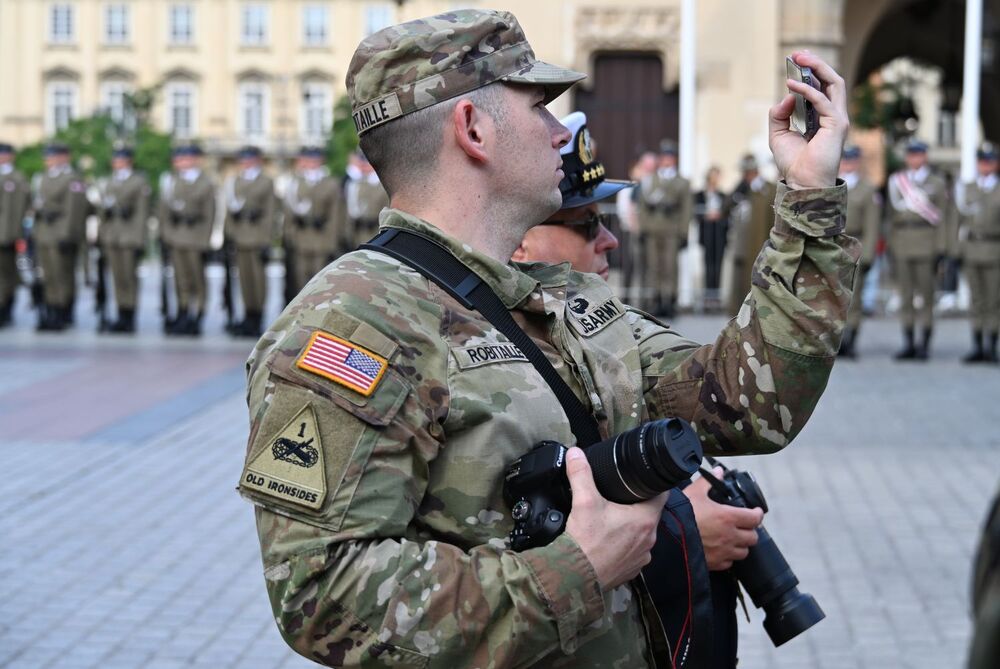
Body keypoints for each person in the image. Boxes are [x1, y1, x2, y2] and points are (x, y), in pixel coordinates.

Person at [237, 9, 855, 668]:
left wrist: (809, 196)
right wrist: (573, 572)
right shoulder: (351, 324)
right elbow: (322, 594)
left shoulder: (559, 298)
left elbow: (747, 401)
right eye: (540, 107)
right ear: (472, 130)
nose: (562, 133)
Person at [513, 110, 766, 668]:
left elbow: (747, 396)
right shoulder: (448, 335)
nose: (607, 240)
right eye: (584, 224)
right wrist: (678, 531)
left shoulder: (601, 323)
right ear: (522, 241)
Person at [886, 140, 949, 360]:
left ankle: (925, 344)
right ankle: (909, 343)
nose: (915, 159)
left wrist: (941, 248)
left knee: (927, 296)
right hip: (902, 243)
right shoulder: (896, 181)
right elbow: (891, 218)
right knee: (905, 296)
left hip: (927, 242)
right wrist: (891, 246)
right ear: (907, 157)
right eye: (911, 155)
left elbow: (943, 218)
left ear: (925, 157)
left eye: (919, 154)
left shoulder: (937, 182)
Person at [158, 144, 216, 336]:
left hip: (196, 238)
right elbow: (163, 213)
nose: (180, 162)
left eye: (185, 158)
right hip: (176, 238)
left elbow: (209, 215)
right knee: (180, 280)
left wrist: (205, 241)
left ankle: (197, 315)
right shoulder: (170, 182)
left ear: (194, 160)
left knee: (197, 280)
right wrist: (166, 236)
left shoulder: (205, 183)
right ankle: (183, 312)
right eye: (178, 159)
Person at [31, 143, 89, 331]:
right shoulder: (43, 178)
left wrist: (67, 234)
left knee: (62, 274)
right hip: (45, 232)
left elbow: (74, 211)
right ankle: (52, 309)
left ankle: (64, 311)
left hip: (61, 232)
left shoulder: (72, 179)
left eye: (52, 157)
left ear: (64, 158)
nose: (48, 161)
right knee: (48, 275)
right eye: (47, 157)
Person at [95, 146, 150, 333]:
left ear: (129, 161)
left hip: (129, 236)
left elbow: (142, 213)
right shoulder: (109, 182)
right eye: (115, 160)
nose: (117, 163)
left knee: (128, 278)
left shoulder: (138, 182)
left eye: (121, 160)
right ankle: (121, 313)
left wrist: (140, 240)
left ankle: (130, 315)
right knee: (117, 277)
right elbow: (102, 211)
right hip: (112, 236)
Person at [224, 146, 277, 338]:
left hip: (256, 237)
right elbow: (229, 212)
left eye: (249, 159)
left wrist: (266, 240)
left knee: (257, 280)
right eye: (243, 160)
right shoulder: (235, 181)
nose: (245, 163)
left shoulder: (265, 182)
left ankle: (258, 316)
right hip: (240, 237)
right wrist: (228, 236)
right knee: (245, 280)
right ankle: (248, 315)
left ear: (257, 160)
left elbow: (270, 212)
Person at [280, 146, 346, 298]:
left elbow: (336, 215)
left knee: (321, 285)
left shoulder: (331, 184)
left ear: (321, 161)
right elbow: (288, 214)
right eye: (308, 160)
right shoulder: (295, 183)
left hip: (321, 241)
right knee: (300, 285)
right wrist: (289, 237)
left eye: (314, 160)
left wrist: (332, 243)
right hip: (301, 239)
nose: (310, 163)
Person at [954, 142, 1000, 363]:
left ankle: (992, 346)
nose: (986, 165)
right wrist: (956, 250)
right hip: (971, 250)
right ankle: (978, 345)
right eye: (982, 161)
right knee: (976, 300)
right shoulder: (968, 188)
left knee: (994, 301)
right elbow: (958, 220)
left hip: (994, 250)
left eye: (990, 161)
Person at [637, 139, 692, 317]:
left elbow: (686, 209)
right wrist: (643, 227)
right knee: (654, 266)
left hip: (672, 229)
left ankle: (670, 300)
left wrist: (684, 232)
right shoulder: (651, 180)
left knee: (670, 266)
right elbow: (642, 206)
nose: (666, 160)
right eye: (664, 156)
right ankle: (656, 299)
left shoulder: (681, 182)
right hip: (653, 228)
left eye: (669, 156)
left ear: (674, 159)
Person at [838, 145, 882, 358]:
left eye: (851, 160)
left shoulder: (867, 189)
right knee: (833, 300)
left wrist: (869, 254)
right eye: (845, 159)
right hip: (834, 247)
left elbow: (872, 225)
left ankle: (851, 341)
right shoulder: (832, 185)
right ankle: (835, 342)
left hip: (856, 245)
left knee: (854, 300)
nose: (848, 163)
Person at [724, 154, 778, 317]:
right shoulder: (742, 190)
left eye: (749, 172)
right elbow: (724, 209)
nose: (747, 175)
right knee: (739, 284)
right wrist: (735, 193)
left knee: (756, 284)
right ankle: (738, 315)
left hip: (759, 244)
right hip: (741, 245)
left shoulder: (768, 189)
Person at [0, 142, 30, 327]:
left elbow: (16, 210)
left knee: (6, 274)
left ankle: (5, 308)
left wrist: (11, 234)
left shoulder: (17, 179)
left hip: (6, 235)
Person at [694, 166, 728, 312]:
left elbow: (726, 213)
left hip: (719, 235)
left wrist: (719, 217)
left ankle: (716, 298)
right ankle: (707, 298)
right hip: (706, 234)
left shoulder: (722, 195)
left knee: (718, 266)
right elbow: (696, 213)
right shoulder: (700, 195)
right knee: (708, 265)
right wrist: (705, 216)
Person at [345, 150, 389, 248]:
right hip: (358, 233)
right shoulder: (357, 183)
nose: (364, 167)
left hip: (376, 233)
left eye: (366, 164)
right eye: (362, 163)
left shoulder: (382, 185)